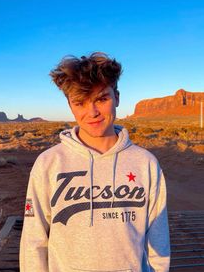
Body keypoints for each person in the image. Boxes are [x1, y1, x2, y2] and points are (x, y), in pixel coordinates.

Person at [19, 52, 170, 272]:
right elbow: (34, 240)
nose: (93, 112)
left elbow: (158, 239)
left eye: (101, 99)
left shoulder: (145, 163)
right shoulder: (49, 163)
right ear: (70, 106)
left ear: (116, 97)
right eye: (80, 103)